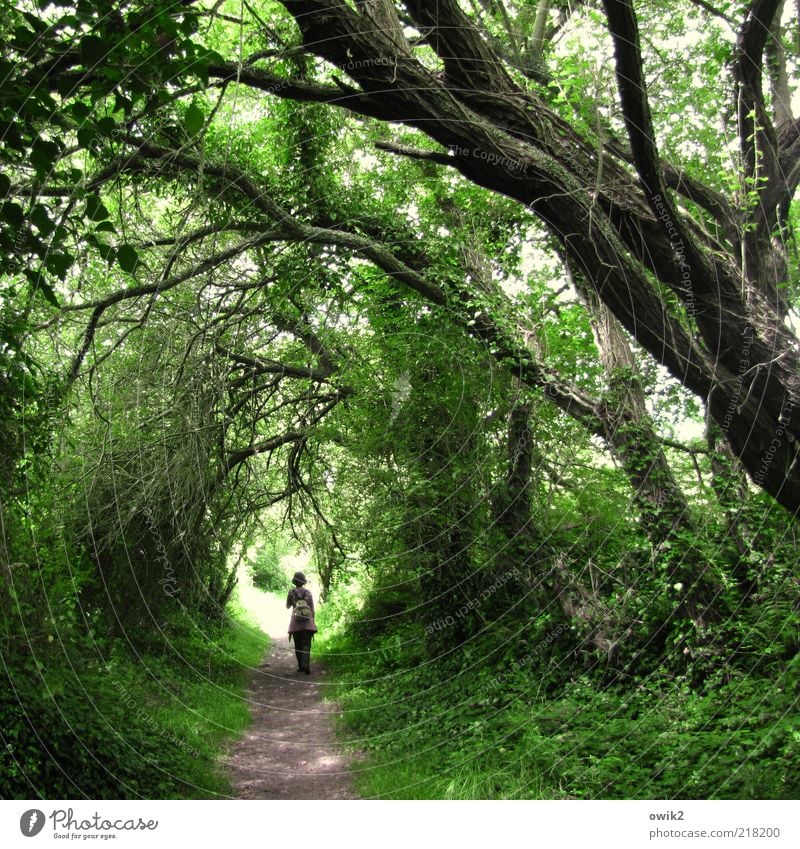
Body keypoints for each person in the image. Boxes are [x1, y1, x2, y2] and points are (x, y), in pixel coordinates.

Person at [286, 571, 317, 674]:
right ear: (303, 581)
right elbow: (312, 608)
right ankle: (306, 666)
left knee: (298, 645)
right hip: (307, 622)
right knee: (306, 644)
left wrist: (294, 602)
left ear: (294, 581)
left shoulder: (291, 592)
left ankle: (300, 666)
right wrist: (312, 620)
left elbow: (287, 606)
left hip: (296, 621)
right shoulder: (308, 592)